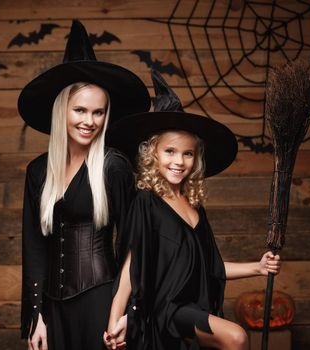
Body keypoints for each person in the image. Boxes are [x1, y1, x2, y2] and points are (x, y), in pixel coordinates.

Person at [103, 70, 282, 350]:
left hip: (190, 309)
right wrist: (114, 322)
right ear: (154, 154)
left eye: (187, 153)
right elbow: (130, 268)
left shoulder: (195, 206)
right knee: (237, 336)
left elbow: (209, 267)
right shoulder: (146, 202)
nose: (179, 161)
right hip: (164, 311)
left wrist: (257, 268)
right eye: (170, 151)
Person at [17, 20, 151, 350]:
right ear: (62, 110)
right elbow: (34, 248)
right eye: (80, 110)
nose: (89, 122)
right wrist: (36, 317)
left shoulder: (113, 166)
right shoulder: (38, 171)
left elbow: (138, 241)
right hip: (52, 306)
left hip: (101, 301)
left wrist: (127, 313)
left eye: (98, 113)